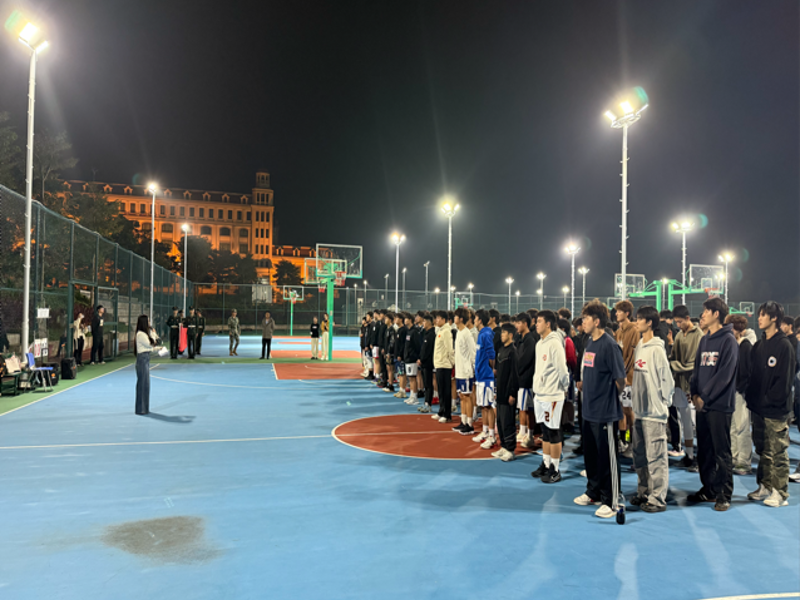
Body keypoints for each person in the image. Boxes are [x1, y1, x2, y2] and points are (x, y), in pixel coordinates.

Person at [574, 300, 627, 519]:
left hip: (604, 412)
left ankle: (611, 499)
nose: (583, 321)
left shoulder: (609, 345)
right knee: (592, 455)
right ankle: (593, 491)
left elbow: (621, 380)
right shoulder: (589, 342)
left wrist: (607, 397)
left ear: (597, 321)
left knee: (607, 458)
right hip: (588, 410)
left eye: (586, 318)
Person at [688, 298, 738, 512]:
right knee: (705, 451)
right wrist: (694, 393)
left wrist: (705, 397)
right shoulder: (704, 340)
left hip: (719, 405)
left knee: (721, 451)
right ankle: (708, 488)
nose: (703, 315)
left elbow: (724, 375)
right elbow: (697, 370)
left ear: (716, 314)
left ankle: (724, 493)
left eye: (706, 311)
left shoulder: (729, 340)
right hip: (702, 404)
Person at [746, 301, 796, 508]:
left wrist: (769, 400)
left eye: (763, 315)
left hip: (775, 410)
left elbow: (784, 381)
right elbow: (752, 375)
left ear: (774, 318)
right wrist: (753, 400)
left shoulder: (784, 346)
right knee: (763, 450)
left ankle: (780, 492)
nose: (759, 318)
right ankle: (765, 486)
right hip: (758, 408)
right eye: (759, 314)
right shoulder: (759, 345)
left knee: (777, 451)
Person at [630, 306, 674, 513]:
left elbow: (667, 379)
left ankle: (657, 498)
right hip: (639, 411)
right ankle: (644, 491)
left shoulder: (657, 349)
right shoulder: (640, 345)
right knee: (639, 455)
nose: (636, 322)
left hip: (654, 413)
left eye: (640, 319)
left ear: (649, 323)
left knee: (656, 456)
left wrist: (662, 403)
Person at [531, 310, 570, 484]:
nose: (536, 324)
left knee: (553, 431)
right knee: (545, 432)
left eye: (539, 321)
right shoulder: (540, 343)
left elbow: (562, 369)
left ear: (548, 324)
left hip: (553, 394)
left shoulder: (555, 343)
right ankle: (546, 464)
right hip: (540, 394)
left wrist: (564, 387)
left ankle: (555, 468)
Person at [669, 305, 702, 470]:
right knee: (685, 422)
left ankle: (700, 457)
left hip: (693, 386)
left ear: (688, 319)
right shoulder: (678, 335)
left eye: (680, 322)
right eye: (676, 322)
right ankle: (689, 455)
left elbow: (694, 364)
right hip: (680, 384)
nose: (678, 325)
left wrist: (676, 366)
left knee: (696, 423)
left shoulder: (699, 335)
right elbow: (673, 357)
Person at [725, 314, 755, 475]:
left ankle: (744, 462)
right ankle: (734, 457)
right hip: (731, 392)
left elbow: (747, 372)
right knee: (732, 427)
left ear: (737, 329)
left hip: (740, 393)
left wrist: (739, 389)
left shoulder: (745, 345)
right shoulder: (733, 344)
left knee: (742, 427)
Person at [615, 300, 640, 453]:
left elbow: (633, 354)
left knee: (630, 411)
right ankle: (623, 440)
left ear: (627, 313)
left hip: (629, 378)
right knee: (621, 410)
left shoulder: (634, 331)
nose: (616, 314)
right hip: (619, 377)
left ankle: (633, 443)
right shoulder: (618, 332)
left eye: (619, 311)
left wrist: (623, 372)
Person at [493, 323, 519, 461]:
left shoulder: (513, 352)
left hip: (508, 393)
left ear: (510, 335)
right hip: (500, 391)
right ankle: (503, 445)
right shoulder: (501, 350)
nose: (501, 335)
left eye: (503, 333)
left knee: (508, 421)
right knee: (500, 421)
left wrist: (512, 393)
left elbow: (515, 375)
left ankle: (510, 449)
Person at [473, 309, 497, 449]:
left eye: (475, 318)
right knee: (483, 405)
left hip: (486, 376)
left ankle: (492, 436)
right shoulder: (481, 334)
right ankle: (485, 431)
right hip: (481, 376)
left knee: (488, 406)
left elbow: (491, 354)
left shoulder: (486, 334)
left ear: (480, 320)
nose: (474, 320)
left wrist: (490, 370)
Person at [453, 307, 477, 435]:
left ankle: (469, 424)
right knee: (462, 396)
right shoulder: (459, 332)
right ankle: (463, 421)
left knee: (467, 396)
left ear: (461, 319)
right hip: (459, 370)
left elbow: (473, 353)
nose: (454, 318)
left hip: (466, 371)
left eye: (456, 316)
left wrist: (473, 368)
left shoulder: (467, 333)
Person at [514, 312, 537, 448]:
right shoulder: (520, 338)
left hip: (527, 379)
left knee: (528, 408)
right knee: (521, 407)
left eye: (519, 323)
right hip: (520, 378)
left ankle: (530, 434)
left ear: (525, 324)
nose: (516, 325)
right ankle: (522, 431)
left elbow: (526, 359)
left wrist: (517, 369)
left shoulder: (530, 340)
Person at [134, 314, 160, 416]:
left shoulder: (144, 334)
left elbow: (152, 346)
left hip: (146, 358)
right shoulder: (141, 334)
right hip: (142, 360)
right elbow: (150, 344)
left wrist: (158, 347)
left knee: (146, 385)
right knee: (142, 384)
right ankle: (141, 409)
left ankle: (144, 408)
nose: (149, 323)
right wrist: (153, 334)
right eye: (148, 321)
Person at [432, 310, 455, 423]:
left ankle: (447, 414)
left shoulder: (446, 331)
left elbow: (450, 349)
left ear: (444, 319)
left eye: (438, 318)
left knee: (446, 390)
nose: (436, 320)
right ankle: (441, 411)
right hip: (439, 364)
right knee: (441, 390)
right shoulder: (440, 330)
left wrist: (452, 363)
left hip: (445, 365)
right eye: (436, 318)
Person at [417, 313, 436, 414]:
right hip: (424, 363)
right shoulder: (426, 333)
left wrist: (422, 359)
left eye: (424, 321)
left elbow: (429, 351)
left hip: (428, 363)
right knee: (426, 384)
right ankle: (426, 402)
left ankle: (428, 404)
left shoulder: (432, 334)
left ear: (429, 322)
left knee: (428, 384)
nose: (423, 323)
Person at [403, 314, 422, 405]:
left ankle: (415, 397)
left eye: (406, 319)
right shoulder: (409, 331)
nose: (404, 320)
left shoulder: (414, 331)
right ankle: (411, 396)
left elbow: (417, 345)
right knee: (410, 378)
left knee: (413, 378)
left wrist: (417, 357)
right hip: (408, 358)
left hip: (412, 358)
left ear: (410, 320)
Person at [394, 313, 408, 399]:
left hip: (401, 356)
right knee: (400, 373)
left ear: (401, 320)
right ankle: (400, 390)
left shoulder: (404, 330)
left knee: (402, 373)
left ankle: (403, 391)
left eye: (397, 318)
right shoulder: (398, 330)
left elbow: (403, 344)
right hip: (397, 355)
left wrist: (400, 354)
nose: (395, 319)